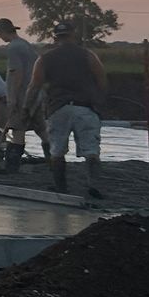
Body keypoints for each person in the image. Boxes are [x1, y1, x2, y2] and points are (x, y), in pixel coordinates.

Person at [25, 20, 108, 198]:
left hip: (58, 108)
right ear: (73, 35)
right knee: (91, 150)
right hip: (85, 107)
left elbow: (34, 86)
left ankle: (61, 187)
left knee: (57, 150)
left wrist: (26, 107)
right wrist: (100, 101)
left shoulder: (45, 59)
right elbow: (101, 80)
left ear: (56, 37)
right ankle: (94, 187)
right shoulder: (88, 55)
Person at [0, 18, 48, 170]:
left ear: (2, 32)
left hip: (22, 96)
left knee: (17, 129)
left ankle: (12, 165)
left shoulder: (14, 48)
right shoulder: (25, 45)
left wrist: (13, 99)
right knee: (41, 129)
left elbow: (17, 73)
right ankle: (53, 161)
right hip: (36, 94)